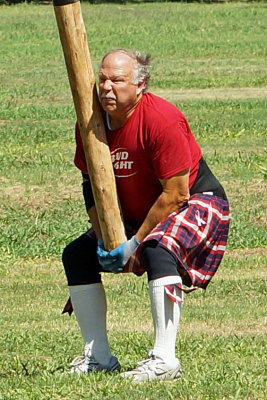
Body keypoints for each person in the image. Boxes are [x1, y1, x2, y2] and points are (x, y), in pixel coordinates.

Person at [62, 49, 230, 382]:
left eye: (118, 80)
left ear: (141, 85)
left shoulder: (161, 119)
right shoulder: (90, 124)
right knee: (77, 254)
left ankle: (165, 361)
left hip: (197, 201)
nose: (108, 87)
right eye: (103, 79)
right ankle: (98, 357)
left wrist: (134, 243)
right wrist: (106, 238)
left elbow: (176, 194)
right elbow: (89, 186)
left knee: (158, 249)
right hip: (140, 212)